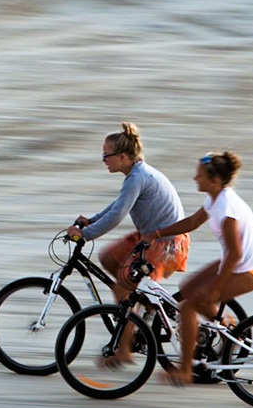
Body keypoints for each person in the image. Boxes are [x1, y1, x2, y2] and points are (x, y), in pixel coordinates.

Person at [141, 151, 253, 385]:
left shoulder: (226, 208)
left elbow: (235, 254)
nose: (194, 178)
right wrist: (156, 234)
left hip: (249, 270)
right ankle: (228, 329)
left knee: (190, 306)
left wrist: (215, 288)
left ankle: (185, 370)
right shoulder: (215, 199)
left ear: (215, 180)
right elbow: (192, 222)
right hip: (234, 264)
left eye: (199, 175)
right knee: (188, 288)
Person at [65, 120, 189, 304]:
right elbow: (119, 204)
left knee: (122, 288)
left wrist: (85, 234)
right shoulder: (136, 174)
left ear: (122, 156)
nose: (103, 159)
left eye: (107, 155)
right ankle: (142, 305)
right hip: (150, 238)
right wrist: (92, 220)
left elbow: (117, 215)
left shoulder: (137, 178)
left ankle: (131, 322)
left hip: (166, 243)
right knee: (108, 259)